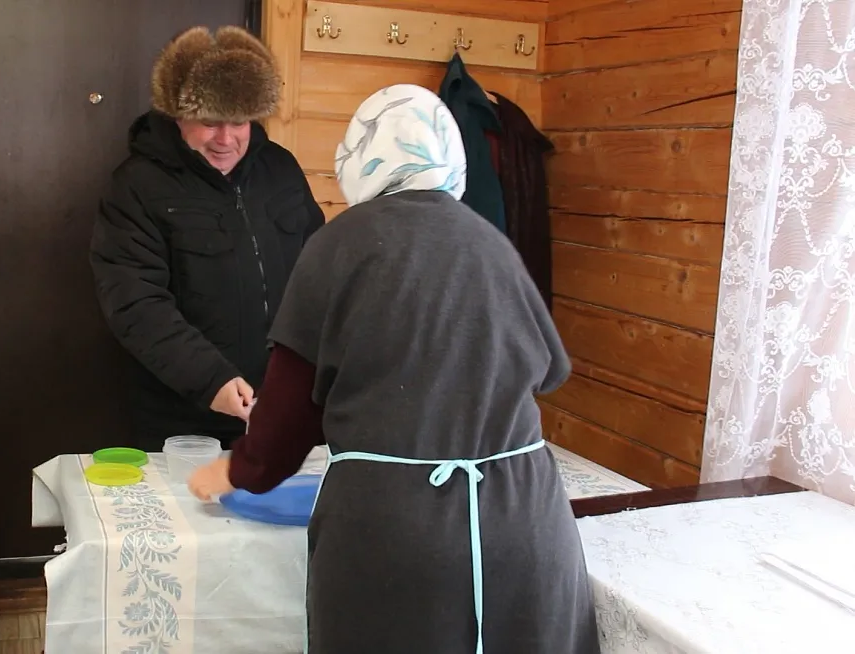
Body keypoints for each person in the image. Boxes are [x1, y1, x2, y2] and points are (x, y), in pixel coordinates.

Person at [188, 84, 600, 654]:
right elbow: (550, 371)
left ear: (358, 160)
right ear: (452, 160)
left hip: (395, 534)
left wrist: (238, 472)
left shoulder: (337, 247)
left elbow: (287, 418)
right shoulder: (492, 244)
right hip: (521, 522)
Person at [90, 26, 325, 452]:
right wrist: (211, 379)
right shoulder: (137, 185)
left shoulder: (281, 170)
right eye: (209, 122)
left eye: (239, 122)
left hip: (284, 405)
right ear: (177, 114)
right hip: (185, 419)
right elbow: (136, 304)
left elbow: (322, 271)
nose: (226, 138)